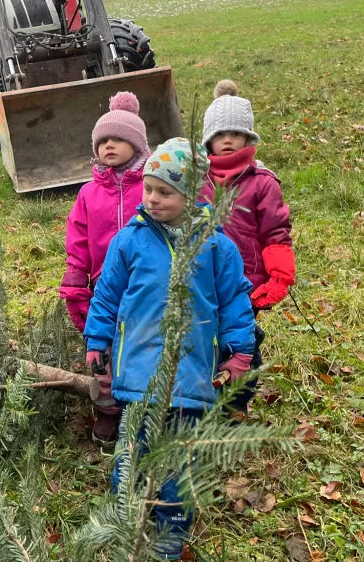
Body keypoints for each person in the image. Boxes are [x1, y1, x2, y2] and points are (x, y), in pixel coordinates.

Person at [83, 137, 256, 560]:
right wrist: (97, 341)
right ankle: (122, 521)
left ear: (191, 193)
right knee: (131, 450)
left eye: (165, 191)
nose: (153, 199)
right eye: (149, 189)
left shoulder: (215, 245)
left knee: (178, 463)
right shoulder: (131, 241)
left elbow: (234, 299)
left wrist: (240, 351)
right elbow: (107, 295)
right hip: (139, 376)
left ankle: (169, 535)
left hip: (188, 376)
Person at [59, 91, 150, 443]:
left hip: (145, 287)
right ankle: (108, 411)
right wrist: (76, 275)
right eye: (103, 141)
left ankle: (143, 408)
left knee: (142, 347)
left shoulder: (151, 188)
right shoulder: (88, 194)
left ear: (138, 146)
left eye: (119, 139)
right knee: (105, 354)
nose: (109, 145)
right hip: (103, 289)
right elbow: (78, 239)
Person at [199, 79, 294, 415]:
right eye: (221, 134)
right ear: (209, 139)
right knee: (207, 341)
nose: (228, 140)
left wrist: (280, 275)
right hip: (204, 281)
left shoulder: (262, 182)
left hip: (247, 283)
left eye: (236, 134)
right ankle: (206, 395)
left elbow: (276, 231)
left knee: (241, 343)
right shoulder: (197, 180)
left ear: (248, 138)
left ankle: (237, 401)